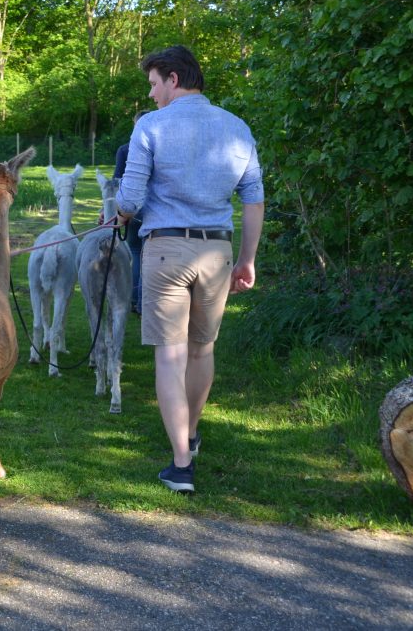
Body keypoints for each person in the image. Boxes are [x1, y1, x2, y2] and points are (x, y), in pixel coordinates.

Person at [114, 45, 264, 493]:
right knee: (202, 350)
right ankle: (190, 435)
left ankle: (181, 464)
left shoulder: (152, 127)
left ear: (174, 79)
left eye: (155, 84)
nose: (154, 94)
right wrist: (247, 259)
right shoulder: (236, 127)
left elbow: (131, 198)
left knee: (171, 355)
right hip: (216, 252)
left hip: (165, 251)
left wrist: (120, 214)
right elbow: (253, 198)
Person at [112, 110, 151, 314]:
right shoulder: (156, 148)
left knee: (136, 254)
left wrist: (115, 209)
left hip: (131, 208)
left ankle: (135, 299)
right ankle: (142, 302)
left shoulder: (125, 150)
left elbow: (117, 182)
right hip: (150, 209)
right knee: (146, 256)